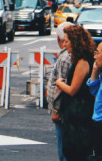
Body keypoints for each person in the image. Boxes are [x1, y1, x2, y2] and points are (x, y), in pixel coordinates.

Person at [54, 24, 96, 161]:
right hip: (78, 113)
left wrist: (60, 83)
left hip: (79, 114)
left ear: (75, 41)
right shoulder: (81, 59)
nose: (65, 44)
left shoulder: (82, 62)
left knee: (74, 152)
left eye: (67, 41)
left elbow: (73, 90)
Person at [46, 22, 73, 161]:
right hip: (65, 109)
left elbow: (61, 87)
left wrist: (56, 111)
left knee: (63, 148)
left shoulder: (65, 58)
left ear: (59, 39)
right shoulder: (67, 56)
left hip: (62, 111)